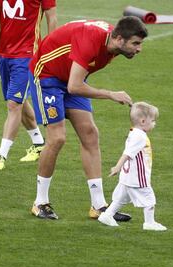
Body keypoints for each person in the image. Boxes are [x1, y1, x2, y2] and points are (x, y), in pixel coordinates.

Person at [28, 16, 148, 220]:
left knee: (90, 134)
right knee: (57, 138)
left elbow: (75, 80)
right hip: (47, 76)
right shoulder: (90, 42)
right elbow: (74, 87)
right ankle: (40, 202)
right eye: (135, 43)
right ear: (119, 39)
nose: (139, 49)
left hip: (72, 76)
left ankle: (99, 206)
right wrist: (110, 94)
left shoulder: (113, 43)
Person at [0, 0, 57, 170]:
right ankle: (39, 143)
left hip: (27, 54)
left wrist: (49, 50)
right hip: (4, 53)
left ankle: (1, 154)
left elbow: (51, 18)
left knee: (14, 103)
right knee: (18, 100)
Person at [98, 102, 167, 231]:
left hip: (128, 176)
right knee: (149, 199)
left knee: (120, 198)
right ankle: (149, 223)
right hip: (137, 177)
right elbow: (128, 154)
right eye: (152, 121)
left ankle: (107, 215)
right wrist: (117, 167)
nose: (154, 123)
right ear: (142, 121)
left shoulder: (133, 132)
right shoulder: (140, 136)